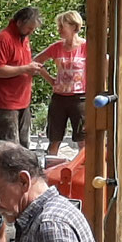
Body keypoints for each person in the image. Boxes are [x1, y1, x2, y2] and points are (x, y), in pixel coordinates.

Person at [0, 6, 42, 147]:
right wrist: (25, 68)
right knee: (10, 147)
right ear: (19, 22)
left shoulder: (24, 38)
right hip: (7, 102)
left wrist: (31, 69)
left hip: (24, 99)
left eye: (33, 29)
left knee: (24, 144)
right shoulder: (4, 39)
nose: (31, 32)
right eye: (29, 28)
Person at [35, 10, 87, 157]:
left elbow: (105, 60)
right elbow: (36, 61)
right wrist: (50, 79)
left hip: (80, 97)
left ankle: (82, 172)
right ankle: (51, 169)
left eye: (61, 27)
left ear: (73, 27)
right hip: (59, 97)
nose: (59, 30)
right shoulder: (56, 47)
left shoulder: (86, 46)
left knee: (82, 139)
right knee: (54, 137)